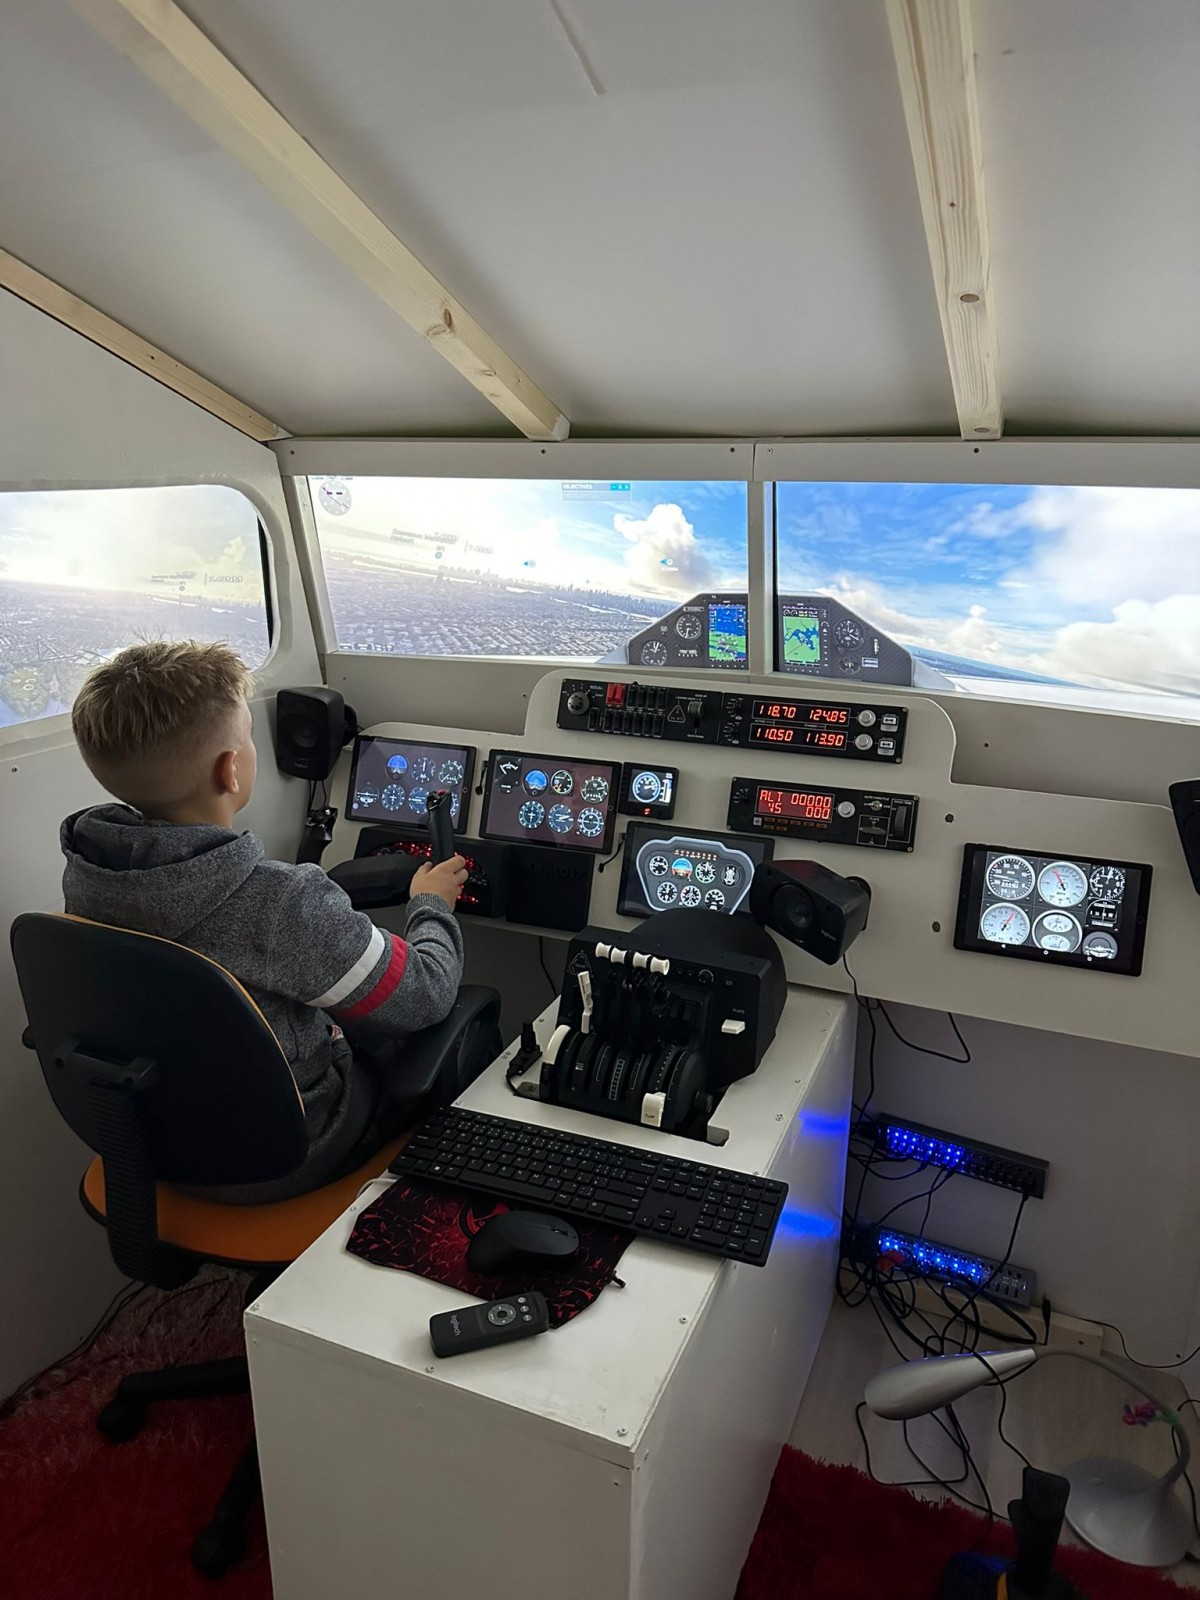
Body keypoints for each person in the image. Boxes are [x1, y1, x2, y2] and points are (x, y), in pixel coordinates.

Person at [61, 639, 469, 1202]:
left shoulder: (90, 870)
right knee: (454, 1026)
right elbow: (424, 994)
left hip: (148, 1136)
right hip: (290, 1153)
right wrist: (431, 905)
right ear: (231, 770)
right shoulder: (283, 903)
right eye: (249, 736)